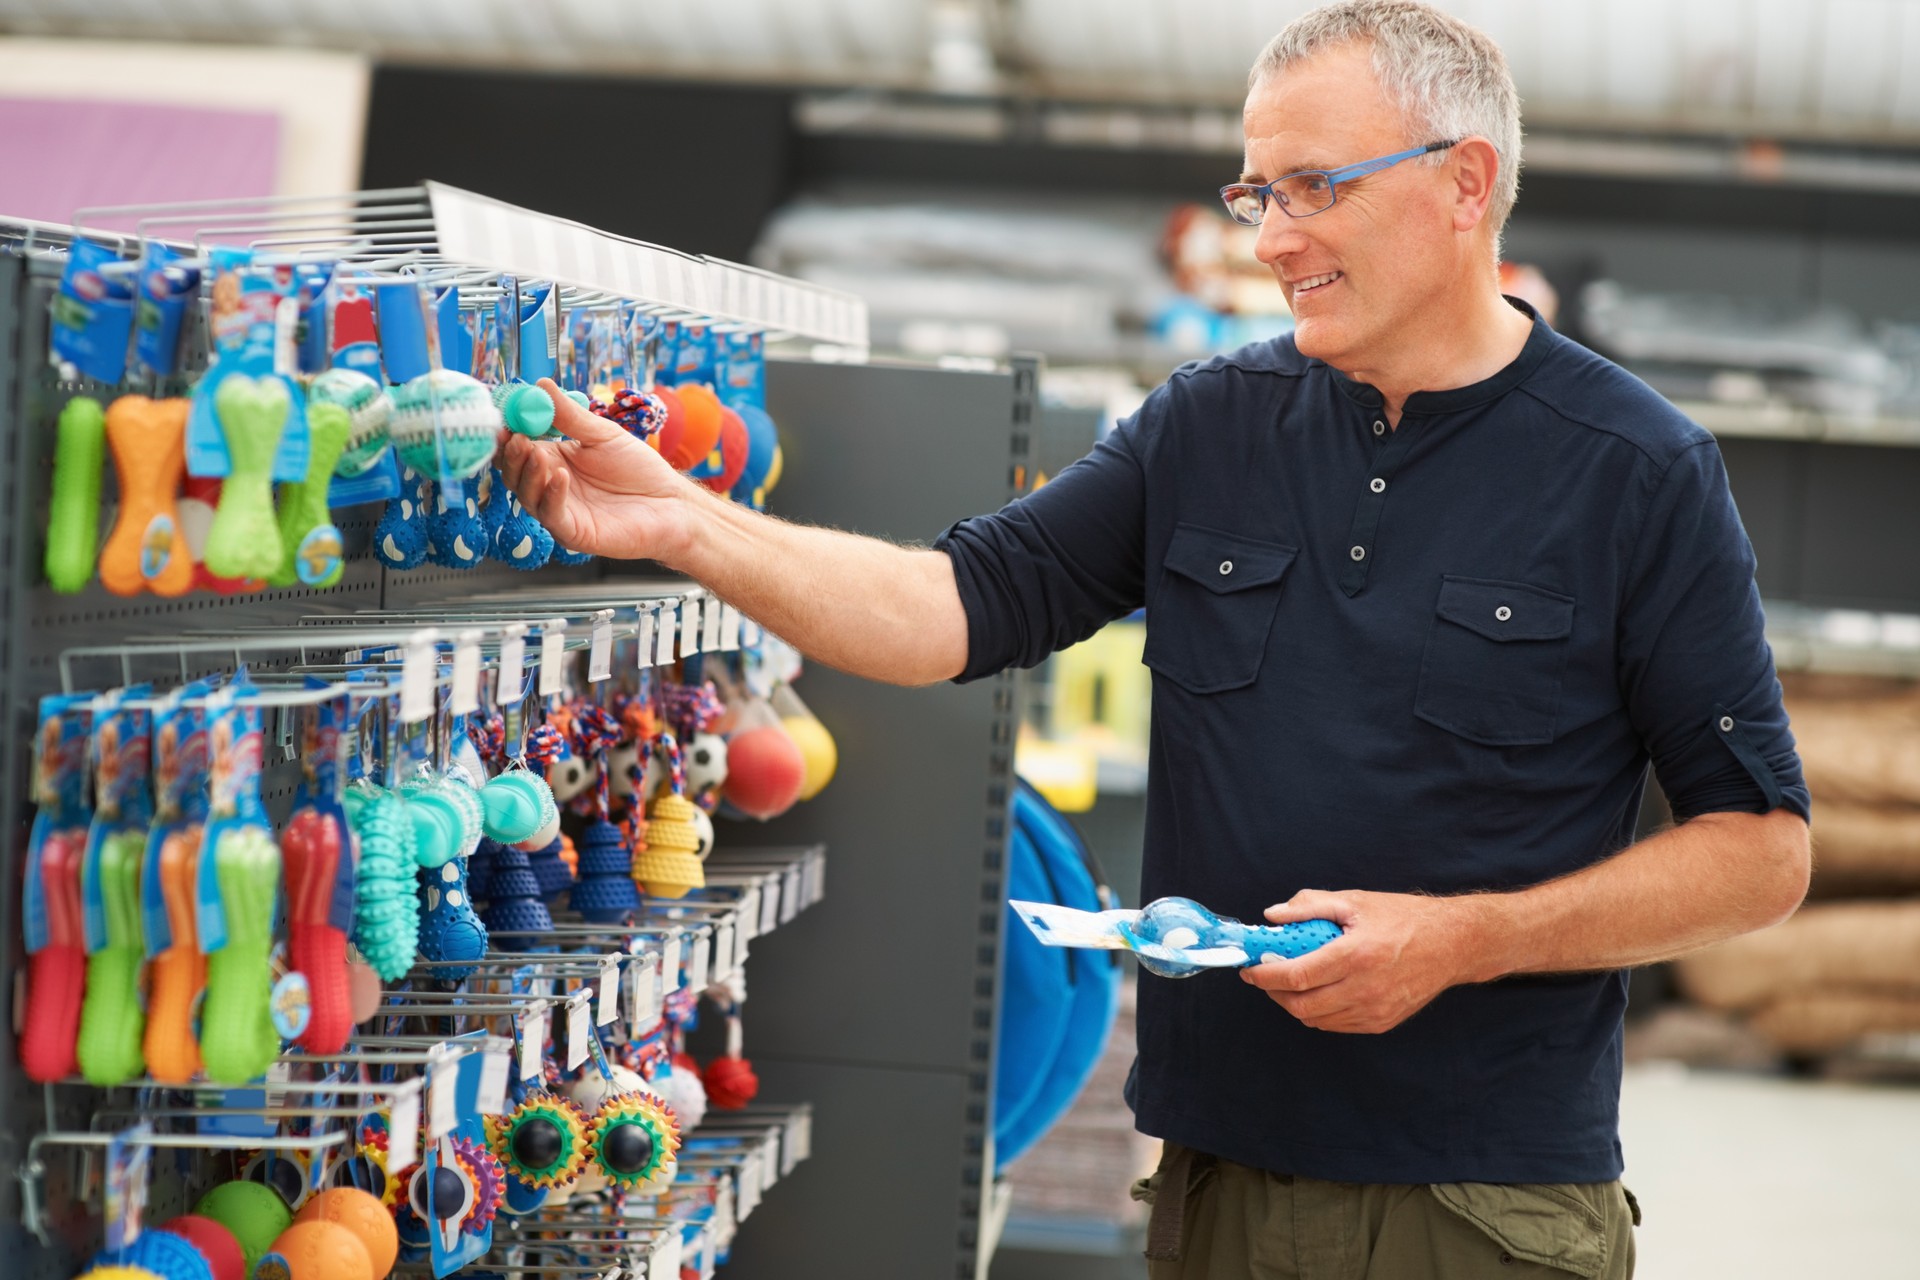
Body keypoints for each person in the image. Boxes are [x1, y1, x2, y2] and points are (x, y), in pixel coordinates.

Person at [499, 3, 1811, 1274]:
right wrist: (682, 523)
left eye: (1314, 189)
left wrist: (1462, 940)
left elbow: (1760, 856)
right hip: (1212, 1180)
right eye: (1257, 196)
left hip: (1479, 1204)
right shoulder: (1209, 423)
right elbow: (947, 608)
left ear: (1465, 183)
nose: (1272, 239)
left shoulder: (1637, 472)